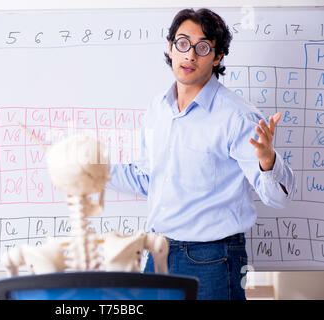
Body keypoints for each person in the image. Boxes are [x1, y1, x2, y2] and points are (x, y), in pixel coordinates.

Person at [106, 8, 297, 300]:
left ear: (217, 56)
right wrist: (93, 169)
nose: (190, 55)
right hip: (158, 252)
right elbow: (149, 179)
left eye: (203, 47)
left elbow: (279, 197)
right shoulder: (158, 109)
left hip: (213, 258)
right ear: (170, 48)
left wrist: (267, 160)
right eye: (182, 43)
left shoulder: (237, 117)